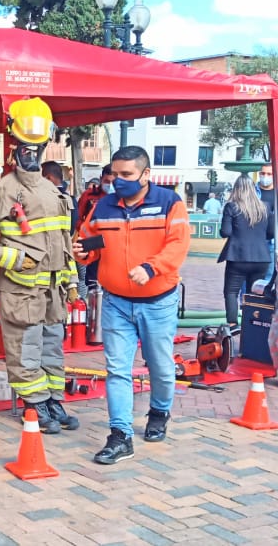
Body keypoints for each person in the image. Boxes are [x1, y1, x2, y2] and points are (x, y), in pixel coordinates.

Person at [74, 145, 190, 465]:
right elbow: (92, 243)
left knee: (161, 367)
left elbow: (178, 245)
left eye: (127, 175)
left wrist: (151, 268)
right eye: (115, 174)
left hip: (158, 303)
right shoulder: (104, 207)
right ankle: (120, 435)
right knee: (117, 370)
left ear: (145, 175)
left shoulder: (170, 204)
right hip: (116, 304)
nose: (119, 181)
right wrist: (82, 251)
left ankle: (159, 411)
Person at [0, 97, 79, 434]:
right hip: (22, 287)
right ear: (16, 146)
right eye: (26, 148)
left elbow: (63, 241)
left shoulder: (51, 190)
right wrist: (16, 260)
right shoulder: (5, 189)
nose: (31, 154)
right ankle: (34, 406)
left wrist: (71, 280)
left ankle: (52, 400)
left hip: (52, 288)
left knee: (51, 346)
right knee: (25, 346)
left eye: (37, 148)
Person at [219, 174, 275, 326]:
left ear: (236, 189)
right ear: (253, 189)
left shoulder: (232, 207)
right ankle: (252, 325)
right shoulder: (265, 207)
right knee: (255, 294)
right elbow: (271, 233)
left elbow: (226, 232)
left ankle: (232, 326)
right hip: (261, 258)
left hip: (238, 257)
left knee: (231, 292)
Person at [77, 165, 115, 293]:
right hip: (93, 243)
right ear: (101, 179)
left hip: (113, 244)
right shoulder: (89, 195)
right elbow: (78, 218)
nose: (109, 185)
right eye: (106, 181)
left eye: (113, 182)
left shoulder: (121, 197)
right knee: (91, 280)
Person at [41, 161, 77, 234]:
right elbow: (73, 228)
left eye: (39, 178)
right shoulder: (71, 200)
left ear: (48, 178)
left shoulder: (44, 199)